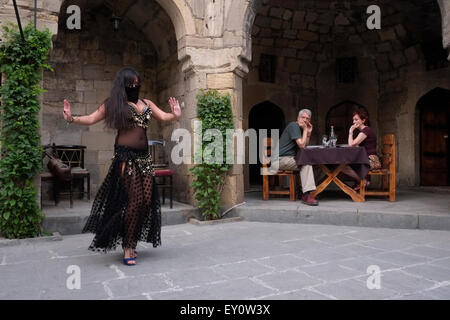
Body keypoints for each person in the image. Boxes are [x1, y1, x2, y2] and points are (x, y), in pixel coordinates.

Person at [62, 67, 181, 265]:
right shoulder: (114, 104)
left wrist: (175, 114)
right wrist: (71, 118)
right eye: (130, 84)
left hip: (144, 159)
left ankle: (130, 236)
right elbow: (91, 118)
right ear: (123, 85)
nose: (135, 87)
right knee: (134, 201)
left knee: (145, 202)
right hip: (126, 158)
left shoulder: (147, 103)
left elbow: (165, 116)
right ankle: (128, 245)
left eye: (137, 83)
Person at [276, 109, 318, 206]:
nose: (305, 120)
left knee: (312, 164)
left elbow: (305, 145)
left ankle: (302, 191)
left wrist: (308, 133)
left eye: (307, 119)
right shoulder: (294, 126)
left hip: (288, 159)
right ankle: (306, 195)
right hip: (280, 159)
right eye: (303, 117)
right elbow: (302, 146)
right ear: (298, 118)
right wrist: (305, 130)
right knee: (306, 164)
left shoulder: (300, 129)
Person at [341, 108, 380, 190]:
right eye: (353, 120)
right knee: (343, 163)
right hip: (366, 158)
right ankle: (361, 181)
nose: (354, 122)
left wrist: (350, 132)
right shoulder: (364, 131)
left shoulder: (366, 131)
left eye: (356, 119)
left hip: (371, 161)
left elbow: (351, 144)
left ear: (363, 120)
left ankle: (362, 181)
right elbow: (354, 146)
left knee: (342, 165)